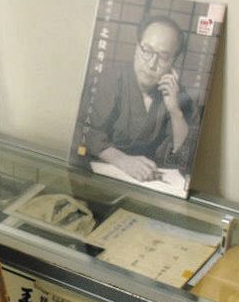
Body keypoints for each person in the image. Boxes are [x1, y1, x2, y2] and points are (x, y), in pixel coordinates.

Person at [82, 16, 199, 182]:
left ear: (173, 61)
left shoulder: (177, 95)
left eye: (163, 56)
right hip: (98, 176)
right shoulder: (110, 79)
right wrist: (122, 160)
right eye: (147, 50)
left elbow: (182, 157)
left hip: (148, 182)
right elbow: (84, 130)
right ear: (137, 48)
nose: (152, 64)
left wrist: (175, 111)